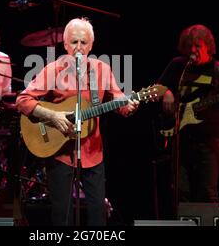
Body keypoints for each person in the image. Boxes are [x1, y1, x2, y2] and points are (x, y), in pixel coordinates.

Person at [16, 18, 139, 225]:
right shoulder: (53, 69)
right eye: (74, 42)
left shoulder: (102, 70)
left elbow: (120, 103)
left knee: (98, 213)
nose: (79, 48)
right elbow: (22, 100)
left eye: (84, 43)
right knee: (62, 214)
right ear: (65, 45)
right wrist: (52, 115)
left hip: (93, 150)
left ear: (91, 45)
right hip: (61, 151)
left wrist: (130, 105)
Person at [157, 24, 219, 203]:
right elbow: (157, 88)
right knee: (180, 194)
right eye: (189, 46)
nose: (192, 50)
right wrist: (167, 92)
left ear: (208, 46)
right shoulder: (178, 65)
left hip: (209, 142)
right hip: (181, 139)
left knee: (207, 193)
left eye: (197, 46)